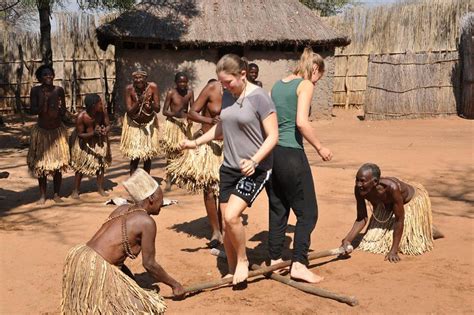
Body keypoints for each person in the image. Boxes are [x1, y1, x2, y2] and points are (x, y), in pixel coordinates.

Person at [181, 54, 278, 285]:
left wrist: (254, 160)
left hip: (254, 170)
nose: (224, 87)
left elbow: (273, 135)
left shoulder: (260, 98)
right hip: (229, 168)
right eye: (221, 82)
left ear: (242, 75)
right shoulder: (227, 96)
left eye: (228, 82)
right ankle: (233, 269)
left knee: (232, 216)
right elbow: (222, 128)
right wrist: (194, 143)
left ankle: (243, 260)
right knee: (226, 223)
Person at [61, 168, 185, 313]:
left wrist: (130, 281)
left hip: (80, 257)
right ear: (151, 199)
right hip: (96, 267)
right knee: (142, 308)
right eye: (160, 199)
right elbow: (149, 264)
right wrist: (175, 285)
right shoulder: (146, 221)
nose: (162, 203)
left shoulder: (123, 209)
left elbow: (114, 255)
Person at [266, 47, 332, 283]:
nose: (318, 81)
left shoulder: (278, 85)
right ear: (315, 69)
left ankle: (274, 261)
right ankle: (299, 263)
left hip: (271, 154)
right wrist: (320, 147)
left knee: (278, 208)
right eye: (319, 76)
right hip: (292, 154)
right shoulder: (305, 85)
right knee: (308, 213)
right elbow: (301, 123)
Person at [341, 163, 441, 263]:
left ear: (375, 182)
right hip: (386, 203)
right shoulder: (359, 189)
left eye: (362, 181)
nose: (358, 184)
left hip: (409, 202)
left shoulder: (392, 188)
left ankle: (426, 230)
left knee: (408, 243)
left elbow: (399, 220)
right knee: (374, 242)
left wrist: (394, 251)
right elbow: (361, 218)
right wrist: (347, 240)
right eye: (357, 179)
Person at [167, 79, 224, 248]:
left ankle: (224, 227)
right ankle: (215, 231)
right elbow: (191, 113)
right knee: (209, 190)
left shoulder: (241, 91)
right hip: (209, 146)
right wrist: (209, 120)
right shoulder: (212, 88)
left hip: (229, 147)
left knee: (225, 191)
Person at [27, 64, 69, 205]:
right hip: (42, 133)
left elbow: (64, 111)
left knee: (58, 166)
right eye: (45, 75)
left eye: (50, 74)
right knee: (42, 166)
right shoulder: (35, 91)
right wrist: (43, 105)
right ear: (39, 78)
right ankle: (42, 195)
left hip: (57, 132)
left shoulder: (59, 90)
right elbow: (32, 111)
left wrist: (60, 109)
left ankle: (56, 194)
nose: (48, 76)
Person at [120, 65, 161, 175]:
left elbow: (157, 109)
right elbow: (129, 111)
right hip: (134, 125)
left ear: (145, 78)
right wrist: (139, 102)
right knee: (135, 155)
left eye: (140, 77)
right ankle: (133, 180)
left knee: (147, 156)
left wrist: (151, 105)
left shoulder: (153, 87)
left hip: (148, 125)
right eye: (136, 78)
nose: (138, 80)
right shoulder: (129, 89)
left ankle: (146, 180)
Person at [70, 93, 112, 199]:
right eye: (99, 103)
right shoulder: (81, 117)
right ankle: (75, 190)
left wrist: (104, 131)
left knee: (100, 165)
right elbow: (80, 134)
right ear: (93, 105)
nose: (102, 105)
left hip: (99, 141)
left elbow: (108, 125)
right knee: (80, 167)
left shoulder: (102, 112)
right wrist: (93, 133)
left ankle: (100, 188)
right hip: (85, 143)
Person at [161, 72, 194, 191]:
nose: (183, 84)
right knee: (172, 152)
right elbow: (164, 111)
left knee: (184, 152)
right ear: (176, 83)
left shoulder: (190, 93)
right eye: (180, 82)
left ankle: (182, 178)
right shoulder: (171, 93)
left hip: (184, 125)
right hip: (173, 125)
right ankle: (169, 180)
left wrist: (190, 118)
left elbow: (193, 109)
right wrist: (176, 114)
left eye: (185, 82)